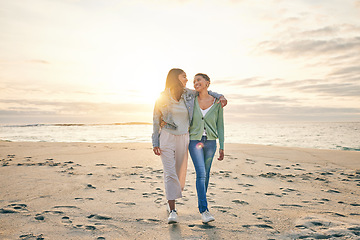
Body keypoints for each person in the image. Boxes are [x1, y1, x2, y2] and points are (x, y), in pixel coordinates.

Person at [152, 68, 227, 224]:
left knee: (179, 174)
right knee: (170, 172)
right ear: (175, 78)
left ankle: (170, 200)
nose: (187, 80)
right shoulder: (162, 97)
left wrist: (220, 96)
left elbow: (205, 92)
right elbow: (155, 119)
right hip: (166, 136)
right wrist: (155, 141)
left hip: (184, 137)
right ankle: (173, 210)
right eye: (184, 77)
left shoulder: (188, 94)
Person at [188, 73, 224, 224]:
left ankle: (202, 204)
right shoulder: (190, 100)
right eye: (194, 81)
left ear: (207, 83)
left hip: (210, 142)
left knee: (206, 175)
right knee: (201, 173)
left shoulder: (217, 103)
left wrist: (222, 145)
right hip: (194, 140)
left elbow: (220, 125)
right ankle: (204, 210)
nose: (196, 83)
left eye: (199, 80)